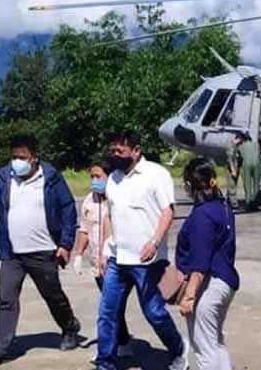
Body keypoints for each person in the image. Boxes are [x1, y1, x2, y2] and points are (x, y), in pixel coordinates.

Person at [0, 134, 81, 367]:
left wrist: (65, 244)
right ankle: (1, 348)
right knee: (6, 299)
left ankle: (70, 326)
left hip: (44, 251)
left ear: (34, 158)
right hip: (13, 253)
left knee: (53, 296)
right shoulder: (5, 177)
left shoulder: (51, 177)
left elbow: (68, 209)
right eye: (14, 157)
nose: (17, 162)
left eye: (22, 157)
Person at [95, 132, 188, 370]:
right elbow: (110, 216)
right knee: (108, 312)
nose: (115, 156)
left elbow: (168, 211)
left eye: (121, 152)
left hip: (147, 260)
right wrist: (106, 249)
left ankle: (179, 349)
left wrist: (155, 241)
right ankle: (105, 363)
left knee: (154, 312)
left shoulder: (156, 175)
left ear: (136, 151)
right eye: (113, 151)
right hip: (117, 259)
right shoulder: (113, 179)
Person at [176, 158, 239, 370]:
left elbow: (200, 264)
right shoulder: (222, 206)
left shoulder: (201, 216)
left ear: (188, 185)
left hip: (208, 287)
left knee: (204, 349)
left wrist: (189, 296)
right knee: (216, 342)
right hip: (226, 282)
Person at [71, 162, 135, 360]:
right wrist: (78, 255)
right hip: (98, 265)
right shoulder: (89, 201)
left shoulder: (119, 198)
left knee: (110, 308)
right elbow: (84, 229)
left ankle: (108, 350)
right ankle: (122, 342)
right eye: (92, 176)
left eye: (98, 176)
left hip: (119, 262)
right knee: (113, 308)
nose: (94, 181)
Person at [224, 137, 241, 209]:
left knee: (232, 185)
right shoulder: (231, 147)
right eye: (240, 140)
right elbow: (230, 160)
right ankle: (234, 204)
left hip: (235, 168)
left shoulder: (235, 147)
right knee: (232, 186)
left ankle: (228, 202)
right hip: (231, 169)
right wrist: (233, 170)